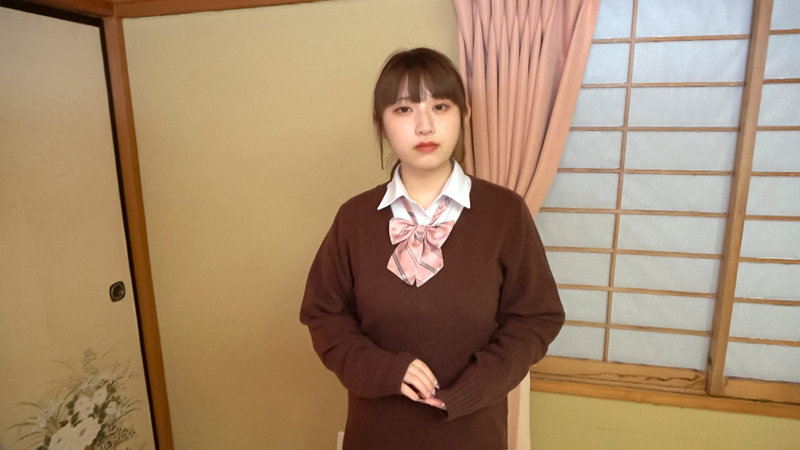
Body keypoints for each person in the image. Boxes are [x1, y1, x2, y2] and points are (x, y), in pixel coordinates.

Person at [299, 47, 564, 450]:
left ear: (464, 115)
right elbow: (323, 316)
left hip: (474, 432)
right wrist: (385, 370)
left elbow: (536, 318)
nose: (425, 126)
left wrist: (475, 386)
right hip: (376, 434)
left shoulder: (504, 212)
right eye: (404, 110)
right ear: (381, 123)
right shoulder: (354, 218)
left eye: (440, 107)